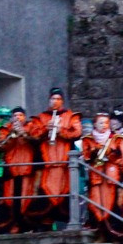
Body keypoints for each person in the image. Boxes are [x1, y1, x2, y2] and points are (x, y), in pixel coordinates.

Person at [27, 88, 83, 225]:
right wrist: (47, 129)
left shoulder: (70, 116)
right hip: (47, 161)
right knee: (44, 191)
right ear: (49, 100)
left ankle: (69, 221)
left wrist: (60, 131)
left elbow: (77, 133)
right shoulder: (41, 117)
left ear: (62, 101)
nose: (55, 102)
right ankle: (44, 223)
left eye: (58, 99)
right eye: (53, 99)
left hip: (64, 162)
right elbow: (33, 134)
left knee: (66, 191)